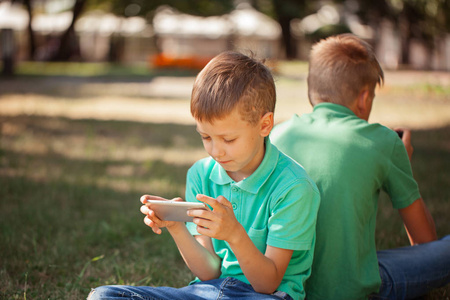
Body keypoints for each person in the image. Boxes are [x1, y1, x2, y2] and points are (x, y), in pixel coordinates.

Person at [88, 51, 320, 300]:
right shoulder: (201, 174)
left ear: (264, 125)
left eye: (228, 139)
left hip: (264, 296)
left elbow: (268, 283)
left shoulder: (293, 187)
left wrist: (234, 235)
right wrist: (177, 228)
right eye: (206, 137)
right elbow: (208, 272)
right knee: (104, 296)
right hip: (206, 292)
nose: (215, 151)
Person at [270, 33, 450, 300]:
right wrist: (403, 165)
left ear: (311, 88)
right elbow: (423, 241)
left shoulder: (277, 135)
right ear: (365, 98)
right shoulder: (384, 142)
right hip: (354, 289)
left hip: (286, 287)